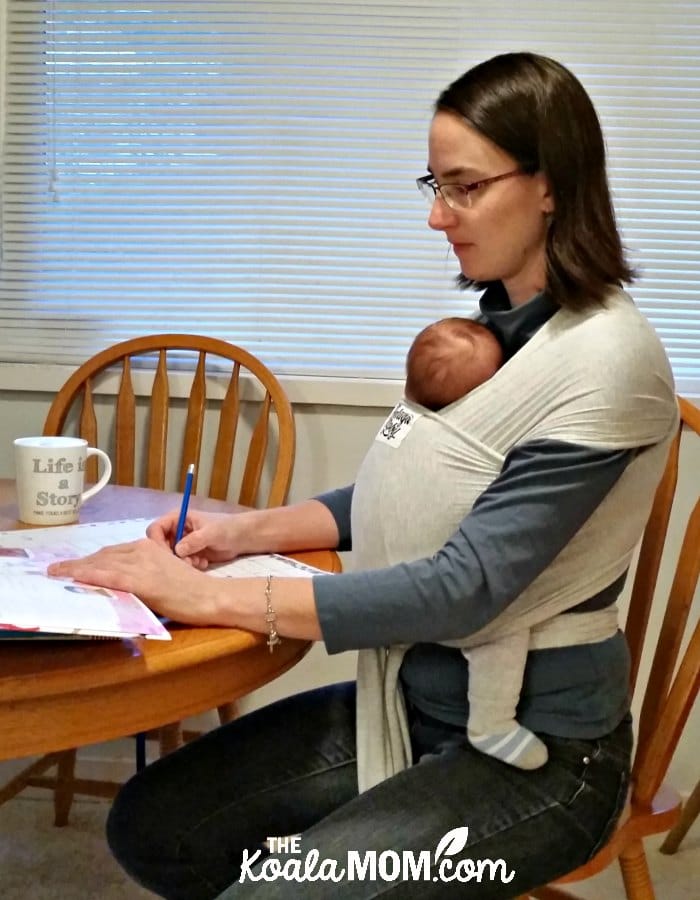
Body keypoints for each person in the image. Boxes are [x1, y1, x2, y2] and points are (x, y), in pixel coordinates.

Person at [48, 51, 679, 899]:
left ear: (551, 183)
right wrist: (240, 534)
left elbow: (465, 586)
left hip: (544, 757)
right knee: (155, 826)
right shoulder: (491, 332)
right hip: (411, 708)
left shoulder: (606, 359)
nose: (438, 218)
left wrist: (202, 597)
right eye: (436, 186)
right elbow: (406, 498)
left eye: (464, 187)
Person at [405, 317, 548, 770]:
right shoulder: (479, 442)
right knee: (503, 625)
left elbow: (382, 462)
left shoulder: (402, 421)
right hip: (453, 575)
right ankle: (492, 722)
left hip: (397, 566)